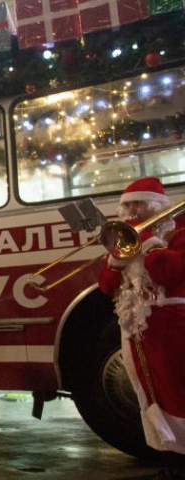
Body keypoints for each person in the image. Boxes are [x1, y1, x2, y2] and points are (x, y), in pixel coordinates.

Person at [97, 177, 185, 479]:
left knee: (176, 390)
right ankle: (169, 455)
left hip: (169, 322)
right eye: (128, 205)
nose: (133, 210)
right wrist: (115, 262)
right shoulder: (127, 239)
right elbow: (107, 287)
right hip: (136, 326)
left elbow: (174, 272)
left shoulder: (178, 233)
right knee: (148, 391)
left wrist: (146, 245)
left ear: (156, 205)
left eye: (139, 204)